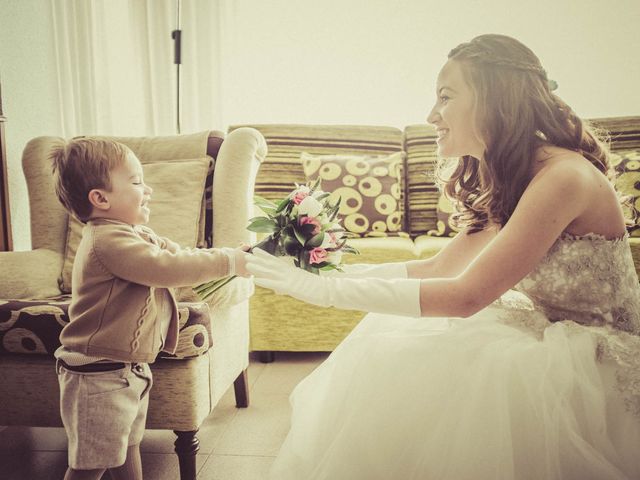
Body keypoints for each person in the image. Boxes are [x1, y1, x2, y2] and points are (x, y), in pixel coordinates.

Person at [246, 34, 640, 479]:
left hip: (604, 363)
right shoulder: (516, 173)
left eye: (445, 97)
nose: (431, 115)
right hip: (556, 332)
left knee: (471, 372)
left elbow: (464, 296)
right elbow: (437, 269)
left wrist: (325, 293)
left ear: (496, 100)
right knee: (402, 352)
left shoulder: (564, 177)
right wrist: (318, 273)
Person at [51, 138, 250, 480]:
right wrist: (229, 262)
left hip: (127, 369)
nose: (149, 189)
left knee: (127, 446)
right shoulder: (108, 241)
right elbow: (166, 267)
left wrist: (234, 253)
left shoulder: (133, 233)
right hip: (98, 374)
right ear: (100, 198)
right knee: (92, 463)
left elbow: (181, 254)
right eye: (137, 181)